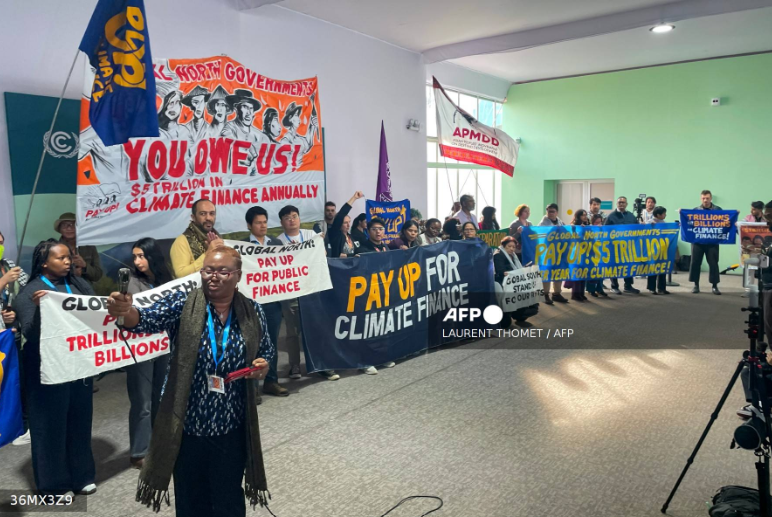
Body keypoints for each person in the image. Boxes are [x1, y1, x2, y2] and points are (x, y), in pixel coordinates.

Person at [107, 245, 274, 516]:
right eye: (208, 270)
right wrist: (126, 311)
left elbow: (266, 350)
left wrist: (262, 365)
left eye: (222, 271)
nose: (213, 276)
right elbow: (145, 319)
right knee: (190, 495)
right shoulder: (184, 303)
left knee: (228, 494)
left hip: (231, 424)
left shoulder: (252, 310)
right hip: (186, 425)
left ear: (238, 275)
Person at [15, 240, 96, 496]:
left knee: (79, 423)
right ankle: (53, 486)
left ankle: (82, 476)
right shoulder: (31, 292)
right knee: (50, 427)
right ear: (44, 263)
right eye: (60, 258)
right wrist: (40, 311)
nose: (67, 261)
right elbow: (30, 332)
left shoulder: (80, 285)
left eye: (68, 257)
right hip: (47, 370)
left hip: (79, 365)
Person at [126, 238, 174, 469]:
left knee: (161, 396)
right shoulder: (132, 283)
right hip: (140, 348)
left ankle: (159, 443)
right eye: (135, 257)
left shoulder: (167, 280)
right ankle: (139, 451)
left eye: (141, 256)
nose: (137, 261)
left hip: (164, 345)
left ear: (152, 256)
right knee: (142, 401)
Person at [276, 205, 337, 381]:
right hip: (291, 291)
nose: (292, 220)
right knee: (292, 332)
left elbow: (321, 255)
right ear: (282, 222)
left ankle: (321, 364)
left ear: (299, 218)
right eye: (287, 218)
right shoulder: (278, 241)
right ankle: (294, 365)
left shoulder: (311, 235)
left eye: (294, 216)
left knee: (316, 328)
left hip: (312, 289)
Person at [243, 206, 288, 399]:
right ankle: (252, 387)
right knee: (251, 343)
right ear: (249, 225)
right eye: (258, 223)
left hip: (272, 302)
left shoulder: (276, 242)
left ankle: (271, 381)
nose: (263, 226)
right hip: (251, 303)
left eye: (265, 222)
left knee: (271, 342)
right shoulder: (242, 245)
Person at [1, 230, 31, 445]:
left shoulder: (8, 264)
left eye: (1, 241)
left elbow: (26, 288)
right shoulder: (5, 274)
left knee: (16, 379)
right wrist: (3, 281)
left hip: (10, 334)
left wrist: (14, 313)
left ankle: (22, 425)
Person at [171, 199, 223, 279]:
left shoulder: (218, 238)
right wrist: (208, 254)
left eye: (212, 213)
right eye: (203, 214)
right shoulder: (182, 241)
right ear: (193, 217)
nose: (208, 218)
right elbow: (180, 275)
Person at [494, 236, 539, 327]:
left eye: (513, 247)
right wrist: (514, 273)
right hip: (503, 281)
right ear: (503, 245)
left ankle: (521, 312)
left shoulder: (514, 256)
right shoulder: (498, 255)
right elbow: (501, 271)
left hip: (514, 280)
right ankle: (513, 313)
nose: (511, 249)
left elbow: (518, 269)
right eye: (509, 246)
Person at [604, 197, 640, 295]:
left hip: (628, 247)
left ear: (626, 204)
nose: (621, 204)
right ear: (617, 204)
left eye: (623, 202)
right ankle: (614, 286)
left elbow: (638, 229)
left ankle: (628, 286)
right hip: (614, 247)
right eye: (619, 202)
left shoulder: (631, 216)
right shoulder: (611, 216)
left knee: (628, 266)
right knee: (614, 266)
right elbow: (605, 231)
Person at [689, 190, 722, 295]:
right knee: (695, 263)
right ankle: (696, 285)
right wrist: (682, 216)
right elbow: (689, 223)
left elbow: (725, 221)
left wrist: (734, 215)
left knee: (713, 264)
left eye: (707, 198)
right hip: (697, 242)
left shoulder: (718, 210)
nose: (705, 200)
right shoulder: (695, 210)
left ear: (711, 198)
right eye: (703, 198)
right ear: (700, 199)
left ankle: (715, 286)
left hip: (712, 242)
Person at [54, 213, 103, 284]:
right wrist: (70, 273)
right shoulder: (54, 249)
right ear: (60, 229)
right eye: (65, 225)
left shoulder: (89, 247)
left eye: (73, 225)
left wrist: (85, 266)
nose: (69, 228)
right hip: (61, 290)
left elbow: (97, 276)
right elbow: (48, 275)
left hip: (85, 291)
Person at [538, 204, 568, 304]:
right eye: (549, 211)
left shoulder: (560, 222)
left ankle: (557, 293)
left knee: (558, 272)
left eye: (552, 211)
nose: (550, 213)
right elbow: (540, 237)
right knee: (547, 273)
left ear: (557, 212)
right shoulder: (542, 224)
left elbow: (566, 234)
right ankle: (545, 294)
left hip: (559, 251)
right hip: (547, 252)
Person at [327, 192, 364, 258]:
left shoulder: (351, 237)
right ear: (339, 224)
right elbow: (341, 215)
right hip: (340, 266)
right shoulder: (335, 235)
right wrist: (354, 198)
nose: (348, 225)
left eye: (349, 222)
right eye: (345, 223)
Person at [646, 207, 671, 295]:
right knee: (653, 268)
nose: (665, 215)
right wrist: (649, 226)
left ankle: (661, 288)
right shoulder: (650, 222)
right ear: (658, 215)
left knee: (662, 268)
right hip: (652, 249)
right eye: (664, 213)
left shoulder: (664, 223)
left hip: (662, 249)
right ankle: (651, 288)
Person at [566, 210, 589, 301]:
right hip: (575, 253)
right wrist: (578, 229)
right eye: (583, 215)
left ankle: (581, 293)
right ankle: (575, 294)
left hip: (584, 252)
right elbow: (574, 238)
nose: (585, 216)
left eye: (585, 215)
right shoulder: (573, 226)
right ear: (578, 216)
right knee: (577, 273)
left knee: (583, 273)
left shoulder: (586, 224)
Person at [586, 214, 608, 298]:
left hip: (601, 253)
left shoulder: (603, 229)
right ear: (592, 222)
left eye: (600, 222)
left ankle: (600, 289)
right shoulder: (589, 230)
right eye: (596, 222)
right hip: (591, 254)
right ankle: (591, 289)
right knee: (592, 272)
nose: (599, 224)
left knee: (601, 272)